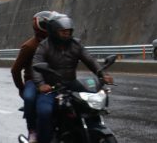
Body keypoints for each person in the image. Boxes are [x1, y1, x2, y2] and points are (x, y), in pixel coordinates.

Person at [32, 14, 114, 143]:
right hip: (51, 87)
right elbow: (35, 65)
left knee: (91, 104)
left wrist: (102, 74)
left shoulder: (76, 44)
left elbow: (90, 60)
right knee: (45, 111)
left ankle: (90, 130)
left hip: (71, 83)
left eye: (68, 31)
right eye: (63, 32)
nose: (66, 34)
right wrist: (41, 84)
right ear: (54, 32)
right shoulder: (45, 46)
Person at [10, 10, 56, 143]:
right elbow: (15, 70)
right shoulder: (29, 46)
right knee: (29, 98)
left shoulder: (57, 43)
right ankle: (32, 131)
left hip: (53, 80)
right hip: (32, 81)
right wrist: (21, 88)